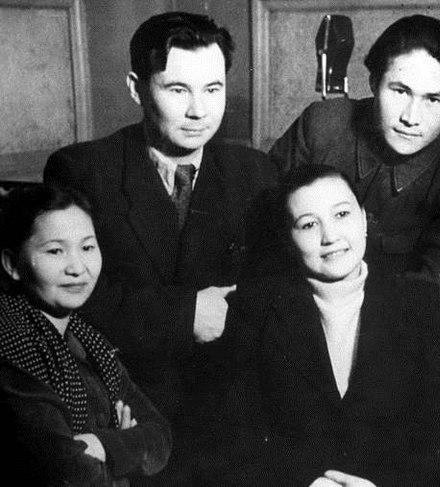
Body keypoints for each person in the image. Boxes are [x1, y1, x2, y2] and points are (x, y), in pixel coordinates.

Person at [44, 11, 277, 485]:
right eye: (178, 90)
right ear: (136, 88)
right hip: (125, 410)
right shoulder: (84, 170)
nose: (199, 110)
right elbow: (64, 297)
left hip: (232, 414)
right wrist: (185, 315)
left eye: (213, 89)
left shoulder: (256, 173)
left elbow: (275, 293)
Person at [220, 165, 440, 486]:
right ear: (288, 238)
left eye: (341, 214)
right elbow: (234, 437)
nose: (330, 236)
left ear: (363, 219)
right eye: (309, 224)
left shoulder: (420, 303)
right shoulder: (254, 310)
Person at [270, 14, 440, 317]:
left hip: (398, 329)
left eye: (433, 99)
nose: (411, 117)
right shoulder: (322, 125)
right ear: (374, 83)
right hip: (299, 316)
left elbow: (436, 297)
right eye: (400, 91)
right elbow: (263, 242)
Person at [0, 184, 171, 486]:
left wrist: (104, 445)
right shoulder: (11, 341)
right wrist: (127, 449)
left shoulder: (86, 337)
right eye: (55, 251)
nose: (78, 268)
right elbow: (68, 472)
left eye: (88, 247)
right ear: (12, 265)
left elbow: (160, 437)